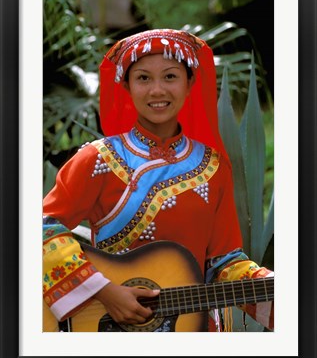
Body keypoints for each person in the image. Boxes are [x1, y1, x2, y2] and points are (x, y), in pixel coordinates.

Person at [43, 28, 274, 332]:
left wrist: (270, 286)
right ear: (125, 85)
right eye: (143, 78)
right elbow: (40, 227)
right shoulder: (97, 159)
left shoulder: (212, 166)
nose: (157, 91)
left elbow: (224, 263)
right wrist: (103, 291)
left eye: (170, 77)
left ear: (190, 82)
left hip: (193, 328)